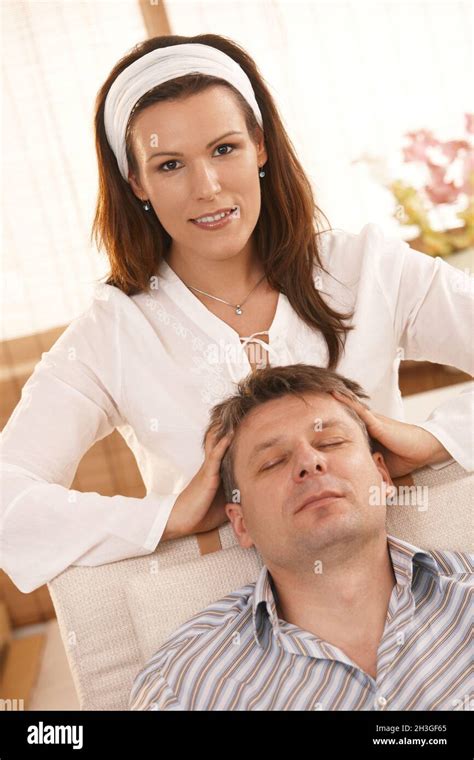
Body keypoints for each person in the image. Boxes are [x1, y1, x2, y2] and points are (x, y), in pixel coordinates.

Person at [1, 34, 472, 594]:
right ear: (137, 184)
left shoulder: (367, 267)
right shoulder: (111, 334)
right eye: (170, 164)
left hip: (396, 584)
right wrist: (166, 517)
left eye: (224, 149)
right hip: (228, 618)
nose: (208, 188)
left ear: (260, 146)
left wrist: (434, 437)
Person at [129, 364, 472, 711]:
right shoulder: (183, 684)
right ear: (241, 522)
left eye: (331, 442)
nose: (309, 462)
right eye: (273, 461)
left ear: (383, 476)